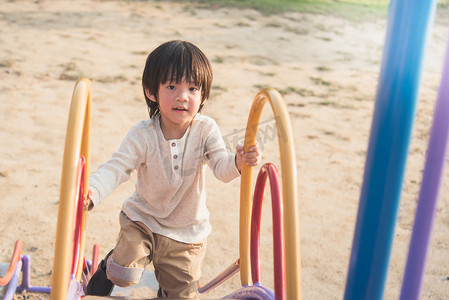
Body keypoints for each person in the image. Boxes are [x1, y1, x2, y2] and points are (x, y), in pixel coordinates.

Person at [83, 40, 262, 298]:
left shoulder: (205, 130)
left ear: (203, 95)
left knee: (181, 295)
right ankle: (108, 266)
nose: (182, 96)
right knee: (123, 274)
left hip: (187, 233)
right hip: (143, 221)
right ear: (151, 91)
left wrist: (239, 161)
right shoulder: (143, 135)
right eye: (171, 86)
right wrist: (93, 191)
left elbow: (222, 168)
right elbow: (117, 166)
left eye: (192, 88)